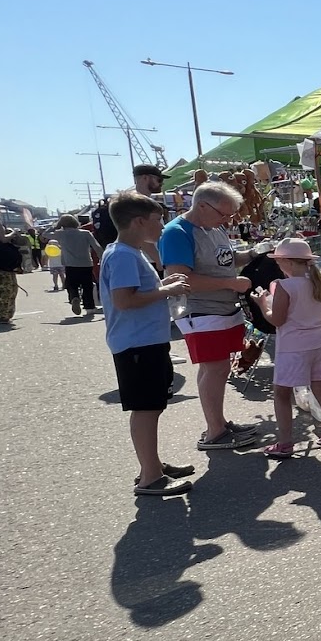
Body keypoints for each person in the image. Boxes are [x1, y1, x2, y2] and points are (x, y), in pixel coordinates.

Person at [99, 193, 196, 496]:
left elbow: (135, 291)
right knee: (146, 408)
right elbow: (124, 300)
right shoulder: (124, 255)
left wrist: (164, 286)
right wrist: (167, 291)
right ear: (139, 221)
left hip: (145, 341)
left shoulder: (128, 251)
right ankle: (150, 477)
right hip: (137, 343)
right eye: (158, 220)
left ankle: (150, 465)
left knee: (152, 406)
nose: (162, 226)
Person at [160, 181, 259, 451]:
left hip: (221, 309)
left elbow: (226, 259)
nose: (226, 220)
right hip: (200, 310)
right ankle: (215, 430)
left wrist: (253, 254)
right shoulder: (177, 232)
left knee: (216, 368)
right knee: (215, 368)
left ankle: (218, 423)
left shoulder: (213, 227)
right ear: (202, 206)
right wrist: (230, 283)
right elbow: (179, 279)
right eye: (223, 214)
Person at [251, 238, 321, 458]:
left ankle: (285, 442)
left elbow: (277, 320)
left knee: (282, 393)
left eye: (278, 260)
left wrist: (263, 305)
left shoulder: (284, 286)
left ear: (287, 261)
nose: (277, 264)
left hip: (293, 346)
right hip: (320, 342)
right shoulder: (319, 283)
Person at [52, 214, 103, 316]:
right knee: (87, 286)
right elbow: (96, 246)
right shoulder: (85, 233)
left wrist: (56, 226)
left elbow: (45, 234)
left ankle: (74, 297)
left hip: (70, 264)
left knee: (71, 284)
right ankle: (89, 307)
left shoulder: (61, 234)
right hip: (86, 263)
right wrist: (102, 257)